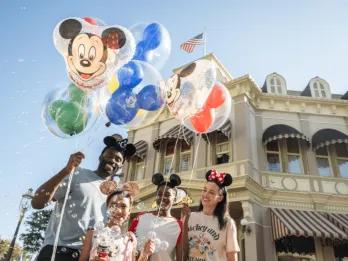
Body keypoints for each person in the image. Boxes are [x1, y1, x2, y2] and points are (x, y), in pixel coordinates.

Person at [31, 134, 136, 261]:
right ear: (100, 156)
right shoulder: (78, 173)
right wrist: (66, 171)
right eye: (109, 155)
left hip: (90, 256)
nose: (113, 160)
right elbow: (37, 203)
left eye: (118, 159)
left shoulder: (116, 196)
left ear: (121, 166)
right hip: (59, 252)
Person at [79, 184, 155, 261]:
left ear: (129, 211)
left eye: (123, 206)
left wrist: (144, 255)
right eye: (113, 205)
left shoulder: (130, 239)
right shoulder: (93, 234)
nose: (118, 210)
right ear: (107, 208)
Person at [182, 169, 240, 261]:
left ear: (220, 198)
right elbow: (182, 251)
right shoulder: (189, 217)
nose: (206, 195)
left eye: (211, 192)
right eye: (204, 190)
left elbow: (232, 257)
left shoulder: (228, 223)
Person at [129, 173, 183, 261]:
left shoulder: (179, 225)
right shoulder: (141, 217)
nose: (162, 198)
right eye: (159, 194)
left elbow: (180, 257)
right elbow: (128, 245)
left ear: (175, 199)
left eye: (167, 195)